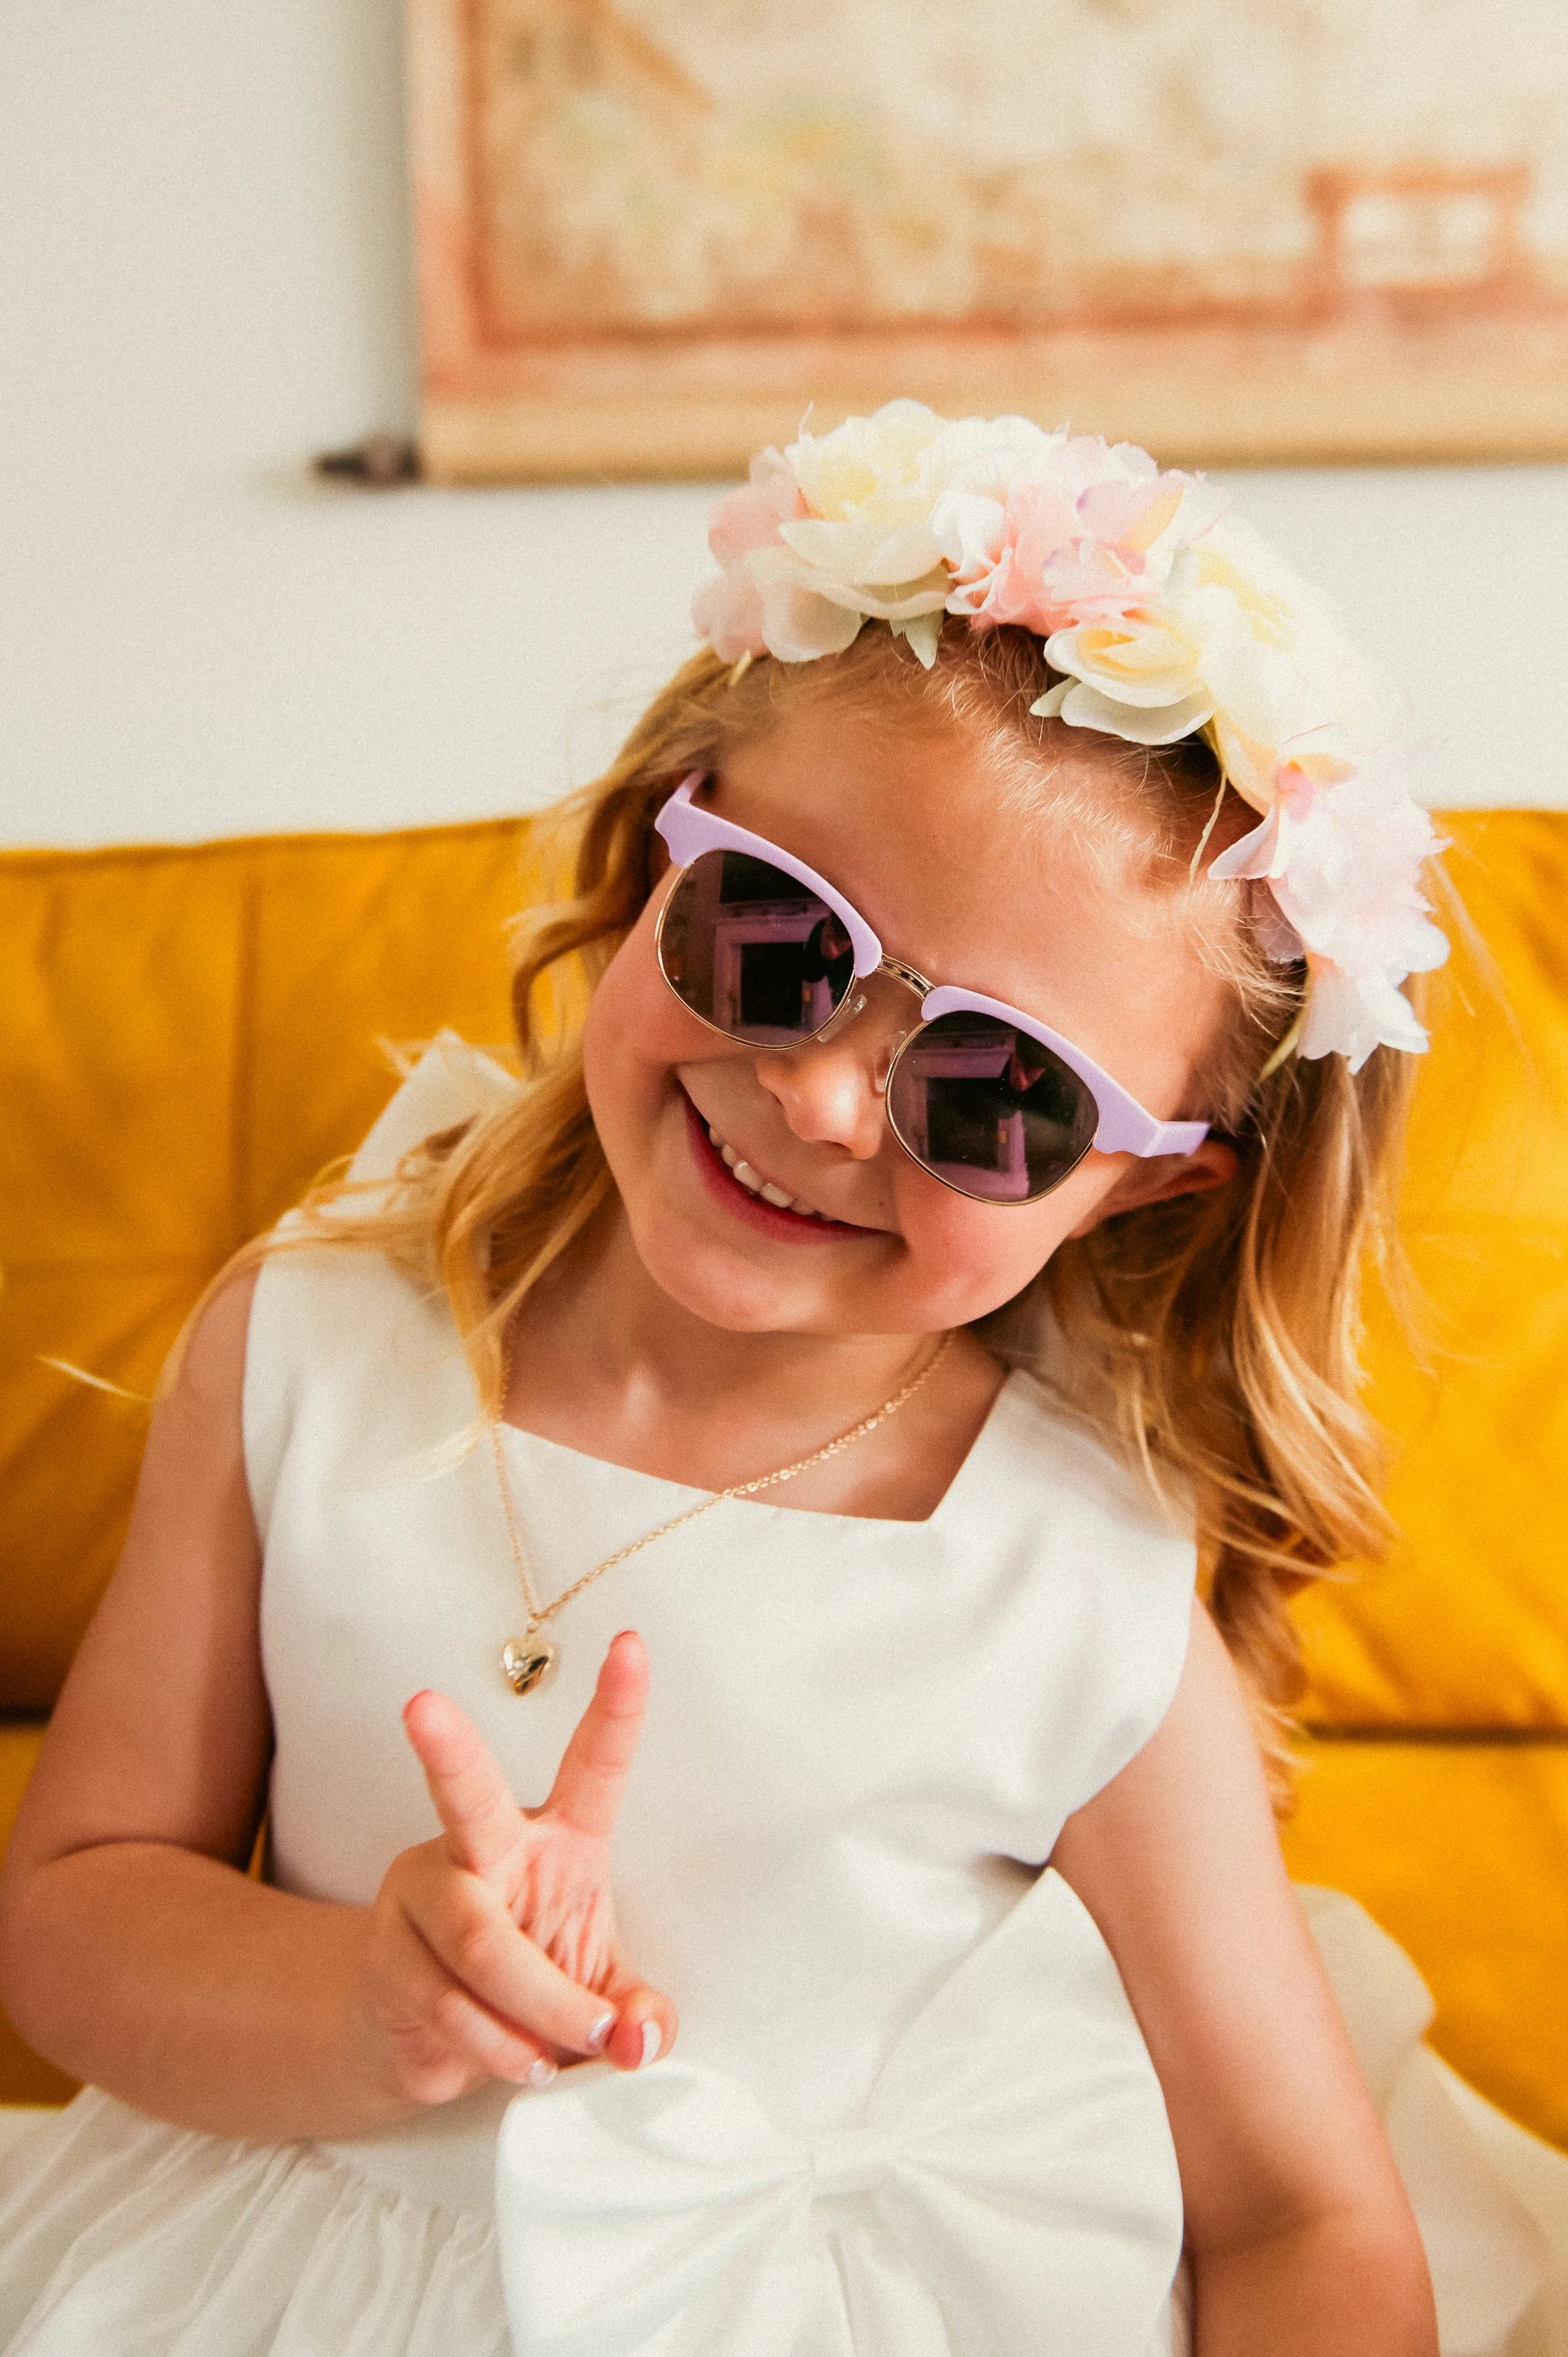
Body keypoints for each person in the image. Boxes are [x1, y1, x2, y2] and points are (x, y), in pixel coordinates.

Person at [0, 403, 1537, 2357]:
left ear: (1142, 1181)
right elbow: (73, 1903)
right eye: (777, 937)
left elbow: (1297, 2209)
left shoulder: (1067, 1575)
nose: (817, 1097)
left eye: (991, 1092)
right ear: (664, 845)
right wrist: (357, 2002)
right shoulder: (305, 1340)